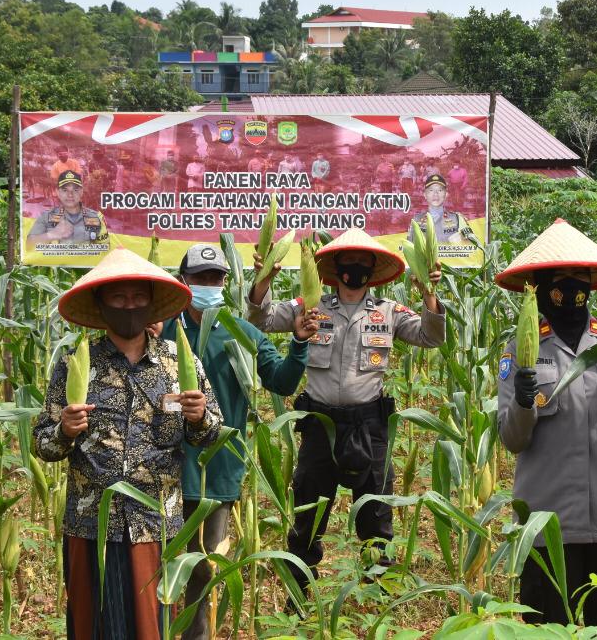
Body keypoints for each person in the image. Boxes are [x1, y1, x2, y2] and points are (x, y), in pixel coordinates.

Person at [34, 247, 222, 640]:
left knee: (151, 626)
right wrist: (65, 430)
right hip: (90, 524)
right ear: (101, 305)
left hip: (155, 523)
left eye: (138, 298)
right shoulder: (75, 364)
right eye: (118, 298)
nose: (129, 306)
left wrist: (200, 416)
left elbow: (209, 438)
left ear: (152, 305)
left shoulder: (177, 363)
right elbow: (44, 446)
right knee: (93, 623)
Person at [247, 228, 445, 600]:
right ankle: (299, 594)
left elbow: (431, 337)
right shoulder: (310, 306)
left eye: (363, 264)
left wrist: (428, 295)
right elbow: (261, 319)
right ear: (335, 270)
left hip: (368, 425)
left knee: (376, 513)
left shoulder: (388, 312)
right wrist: (263, 281)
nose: (355, 269)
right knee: (308, 512)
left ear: (372, 271)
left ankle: (376, 597)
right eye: (348, 264)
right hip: (320, 424)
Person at [494, 218, 597, 630]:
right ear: (542, 285)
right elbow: (512, 439)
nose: (571, 288)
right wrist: (523, 400)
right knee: (549, 630)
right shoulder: (519, 351)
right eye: (560, 279)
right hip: (549, 523)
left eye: (579, 278)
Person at [161, 244, 312, 640]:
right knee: (159, 565)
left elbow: (281, 381)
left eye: (216, 278)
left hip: (218, 467)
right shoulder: (159, 329)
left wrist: (298, 344)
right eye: (200, 278)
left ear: (225, 283)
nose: (209, 285)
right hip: (161, 466)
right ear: (183, 282)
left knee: (205, 568)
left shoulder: (242, 333)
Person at [25, 170, 108, 252]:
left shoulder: (96, 217)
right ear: (57, 192)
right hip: (56, 265)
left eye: (75, 190)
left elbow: (105, 249)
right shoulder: (46, 217)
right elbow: (29, 245)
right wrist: (51, 235)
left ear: (82, 192)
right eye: (65, 190)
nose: (70, 194)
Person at [409, 174, 478, 246]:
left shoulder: (457, 218)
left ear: (446, 194)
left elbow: (474, 245)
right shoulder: (416, 220)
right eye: (431, 190)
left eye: (440, 190)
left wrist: (463, 239)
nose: (435, 194)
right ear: (425, 195)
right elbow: (409, 248)